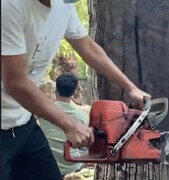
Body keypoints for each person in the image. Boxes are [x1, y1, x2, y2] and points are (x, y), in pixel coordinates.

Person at [1, 0, 151, 179]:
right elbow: (15, 83)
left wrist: (130, 87)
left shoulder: (63, 6)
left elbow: (87, 47)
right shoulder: (10, 5)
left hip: (21, 122)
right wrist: (69, 123)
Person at [39, 73, 88, 178]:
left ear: (55, 91)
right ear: (74, 92)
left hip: (50, 165)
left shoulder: (43, 111)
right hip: (73, 167)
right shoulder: (81, 116)